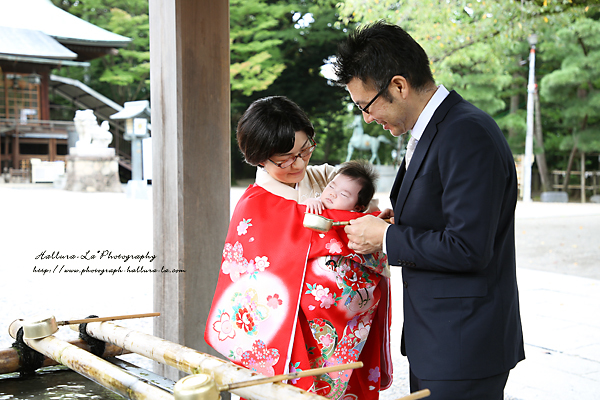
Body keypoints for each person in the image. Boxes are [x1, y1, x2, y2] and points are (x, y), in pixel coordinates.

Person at [333, 21, 525, 400]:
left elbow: (469, 246)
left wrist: (386, 238)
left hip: (464, 346)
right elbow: (444, 215)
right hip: (441, 338)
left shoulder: (466, 133)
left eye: (366, 106)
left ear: (399, 86)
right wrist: (395, 221)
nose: (368, 119)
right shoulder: (434, 129)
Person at [204, 96, 392, 399]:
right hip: (292, 332)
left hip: (342, 329)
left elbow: (359, 195)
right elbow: (250, 285)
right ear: (259, 158)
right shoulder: (254, 206)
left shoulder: (320, 177)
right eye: (285, 159)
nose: (300, 164)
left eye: (305, 150)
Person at [303, 160, 378, 214]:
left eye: (343, 194)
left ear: (358, 207)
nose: (333, 194)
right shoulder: (317, 203)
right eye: (331, 186)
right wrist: (309, 202)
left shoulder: (356, 220)